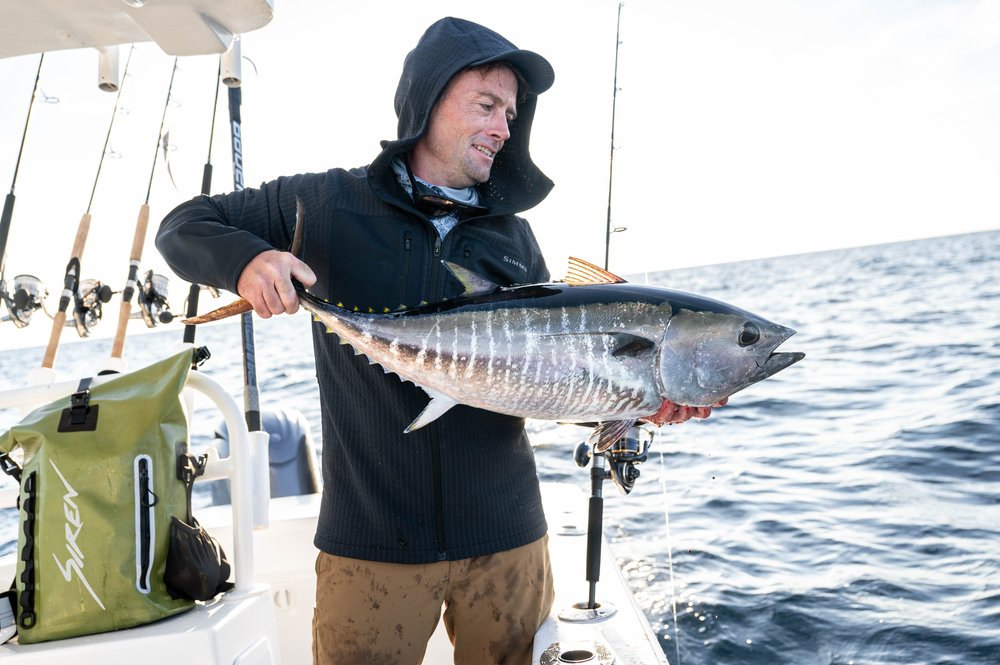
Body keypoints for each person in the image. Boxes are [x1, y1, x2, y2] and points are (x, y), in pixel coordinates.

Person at [157, 17, 716, 665]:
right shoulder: (327, 203)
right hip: (371, 544)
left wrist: (639, 399)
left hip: (508, 540)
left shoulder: (513, 239)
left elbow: (543, 377)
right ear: (427, 101)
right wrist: (247, 262)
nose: (504, 127)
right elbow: (184, 225)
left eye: (511, 112)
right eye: (486, 105)